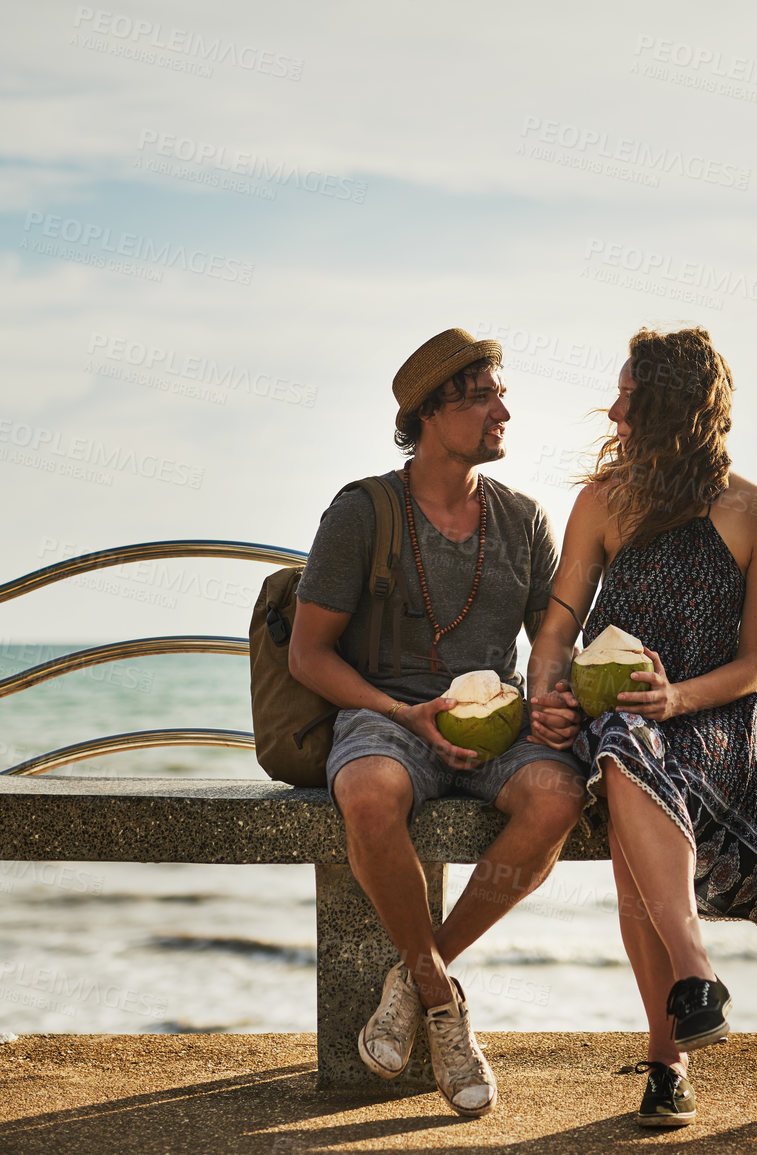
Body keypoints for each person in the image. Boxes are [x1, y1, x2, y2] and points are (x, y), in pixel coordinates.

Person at [288, 328, 588, 1118]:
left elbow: (549, 646)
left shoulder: (523, 518)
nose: (505, 411)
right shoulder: (361, 512)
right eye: (485, 395)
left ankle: (418, 976)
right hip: (388, 715)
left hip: (498, 724)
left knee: (558, 797)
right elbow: (308, 655)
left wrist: (555, 697)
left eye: (499, 392)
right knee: (368, 794)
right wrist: (399, 712)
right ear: (430, 411)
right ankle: (445, 1005)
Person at [526, 326, 757, 1128]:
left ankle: (667, 1053)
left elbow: (754, 664)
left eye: (626, 396)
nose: (611, 411)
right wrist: (545, 690)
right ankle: (690, 984)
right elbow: (557, 625)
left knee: (625, 757)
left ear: (668, 409)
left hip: (712, 721)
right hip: (616, 721)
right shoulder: (604, 500)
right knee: (619, 744)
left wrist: (676, 698)